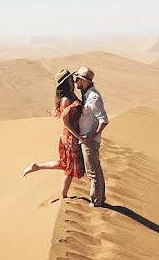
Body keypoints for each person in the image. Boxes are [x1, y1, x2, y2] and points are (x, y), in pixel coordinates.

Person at [22, 69, 86, 201]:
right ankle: (63, 197)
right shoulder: (65, 100)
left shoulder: (72, 95)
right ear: (65, 83)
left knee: (64, 164)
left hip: (74, 134)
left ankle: (37, 167)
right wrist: (78, 136)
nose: (72, 81)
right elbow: (66, 123)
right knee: (69, 169)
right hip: (70, 136)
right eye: (70, 79)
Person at [73, 65, 108, 207]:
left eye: (77, 80)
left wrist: (91, 137)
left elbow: (104, 120)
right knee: (96, 170)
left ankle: (96, 202)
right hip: (88, 138)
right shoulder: (87, 94)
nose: (76, 83)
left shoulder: (93, 98)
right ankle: (101, 198)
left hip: (89, 140)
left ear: (84, 81)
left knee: (92, 172)